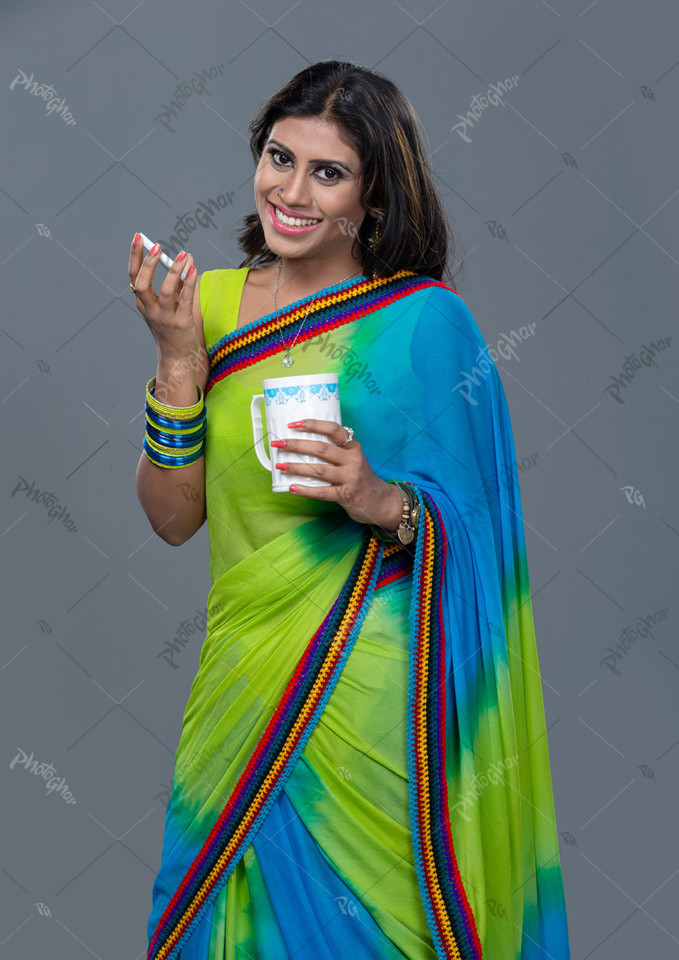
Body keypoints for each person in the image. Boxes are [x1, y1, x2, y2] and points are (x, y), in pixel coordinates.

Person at [131, 59, 571, 960]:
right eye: (278, 158)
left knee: (373, 929)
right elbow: (173, 521)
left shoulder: (420, 323)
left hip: (369, 686)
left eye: (326, 172)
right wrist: (178, 362)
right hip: (244, 673)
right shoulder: (206, 304)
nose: (291, 192)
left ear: (373, 198)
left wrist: (382, 501)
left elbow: (483, 533)